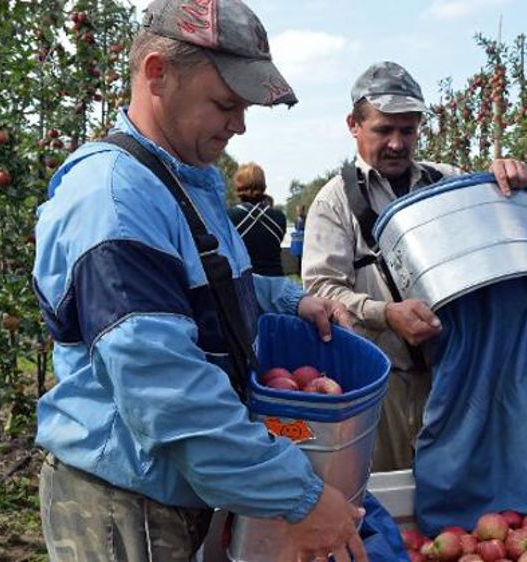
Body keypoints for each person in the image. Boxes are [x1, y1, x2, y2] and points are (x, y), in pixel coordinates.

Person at [32, 1, 367, 561]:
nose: (238, 124)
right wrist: (302, 498)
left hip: (170, 490)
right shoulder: (115, 201)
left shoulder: (183, 181)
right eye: (225, 103)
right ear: (158, 72)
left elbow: (204, 290)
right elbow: (166, 391)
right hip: (124, 503)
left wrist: (289, 298)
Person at [301, 61, 527, 471]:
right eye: (383, 130)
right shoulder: (334, 202)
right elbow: (321, 291)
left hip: (452, 375)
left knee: (457, 491)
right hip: (380, 380)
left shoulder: (447, 185)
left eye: (407, 130)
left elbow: (497, 222)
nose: (396, 143)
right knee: (387, 488)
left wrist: (506, 178)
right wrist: (386, 314)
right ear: (354, 124)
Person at [228, 162, 287, 276]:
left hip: (245, 283)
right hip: (276, 282)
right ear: (263, 185)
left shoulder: (229, 216)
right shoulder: (279, 217)